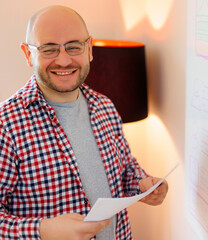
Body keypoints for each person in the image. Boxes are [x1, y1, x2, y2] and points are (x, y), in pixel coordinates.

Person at [0, 5, 168, 240]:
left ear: (89, 49)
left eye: (73, 46)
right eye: (49, 49)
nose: (64, 60)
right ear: (28, 54)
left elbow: (125, 167)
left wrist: (143, 185)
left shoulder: (105, 107)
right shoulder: (6, 124)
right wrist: (43, 230)